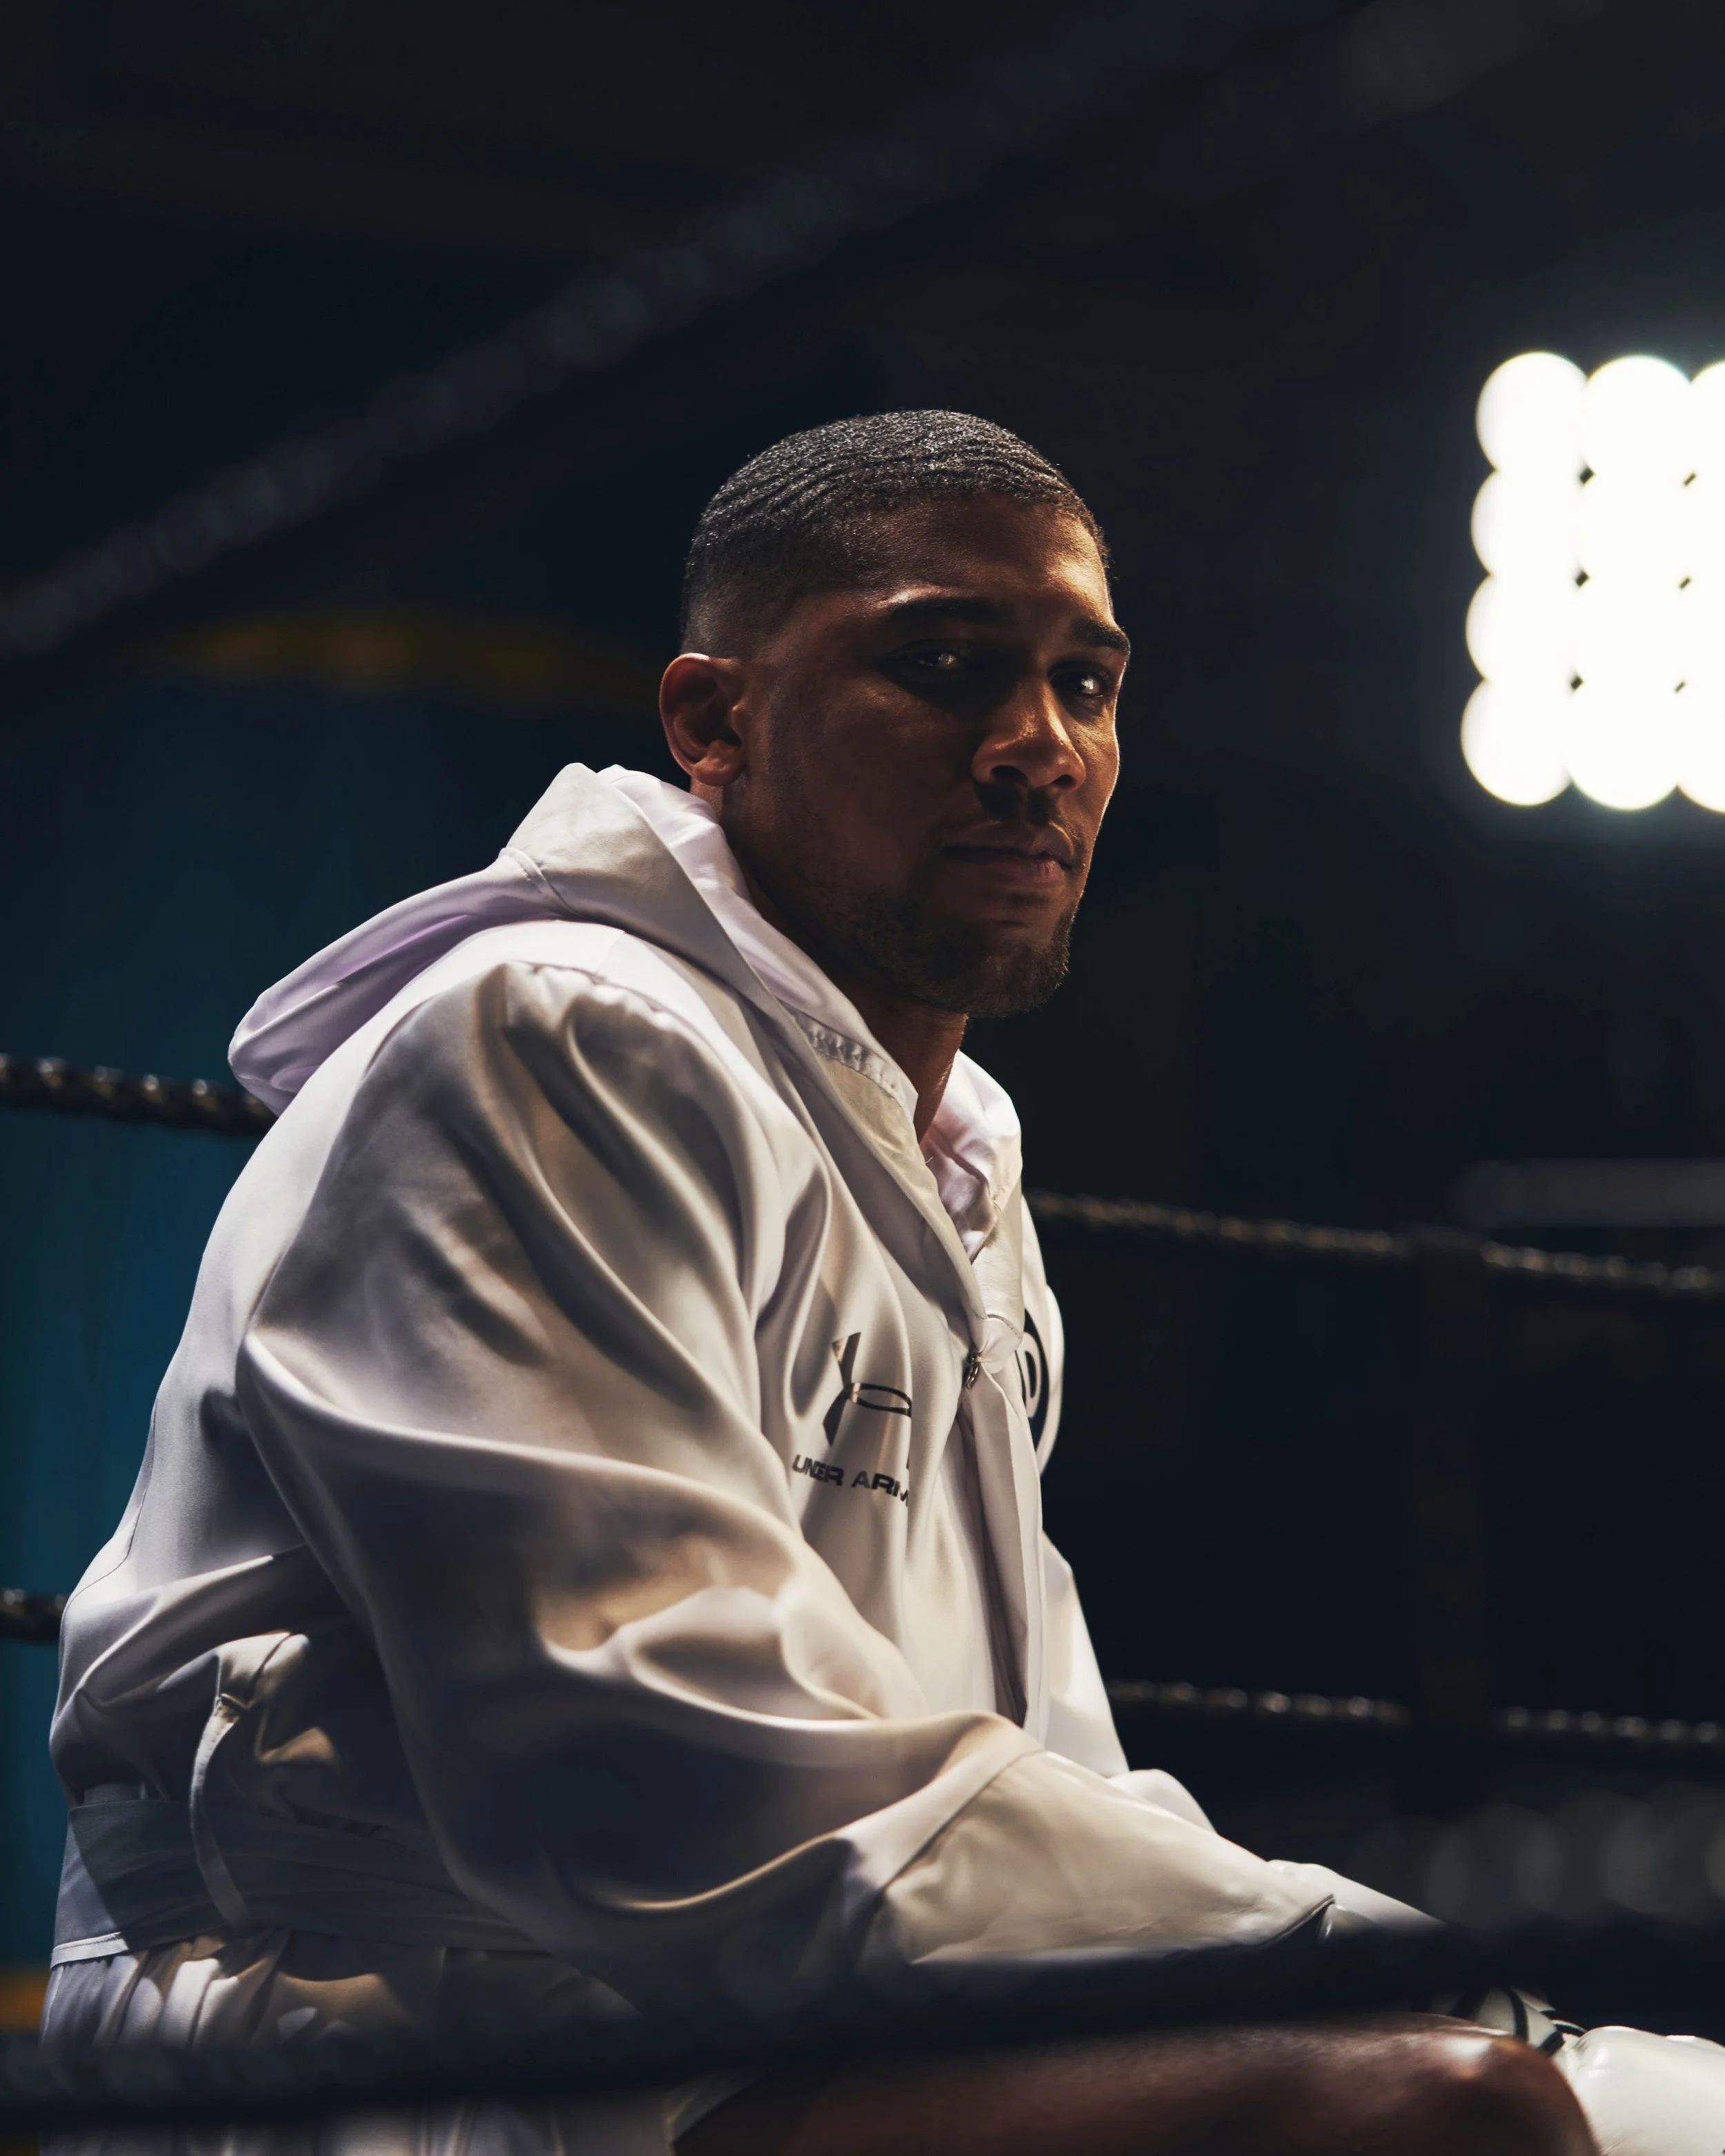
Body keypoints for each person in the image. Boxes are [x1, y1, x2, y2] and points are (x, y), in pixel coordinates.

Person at [41, 413, 1714, 2155]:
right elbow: (655, 1780)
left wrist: (1395, 1971)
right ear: (713, 721)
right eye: (940, 665)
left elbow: (1032, 1772)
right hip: (386, 2042)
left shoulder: (946, 1157)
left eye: (1085, 682)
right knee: (1454, 2118)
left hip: (725, 2028)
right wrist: (1378, 1968)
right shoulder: (557, 1036)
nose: (1035, 745)